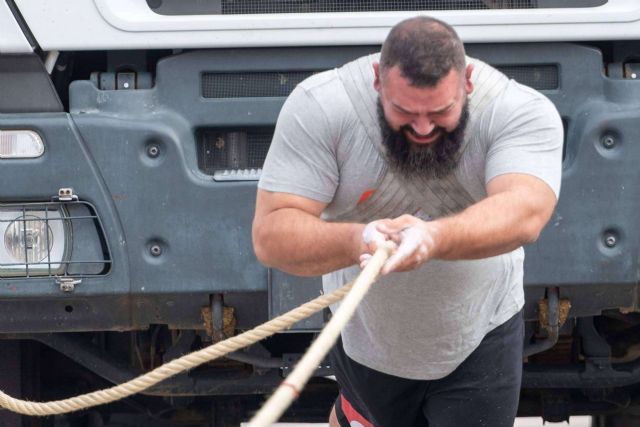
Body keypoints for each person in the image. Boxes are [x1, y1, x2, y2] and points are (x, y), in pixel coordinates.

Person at [252, 16, 563, 427]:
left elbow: (525, 211)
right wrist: (359, 239)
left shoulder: (517, 110)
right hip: (367, 339)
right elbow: (271, 235)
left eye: (440, 111)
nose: (422, 127)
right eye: (403, 110)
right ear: (377, 80)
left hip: (479, 334)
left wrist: (432, 238)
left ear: (467, 81)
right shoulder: (323, 105)